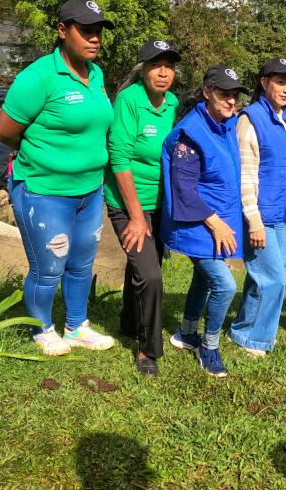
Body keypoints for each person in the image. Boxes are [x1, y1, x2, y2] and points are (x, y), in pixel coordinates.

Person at [0, 0, 117, 356]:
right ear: (62, 31)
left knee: (81, 263)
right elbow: (4, 131)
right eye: (86, 30)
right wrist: (42, 155)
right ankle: (42, 328)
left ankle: (76, 326)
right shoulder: (38, 77)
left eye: (98, 32)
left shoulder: (96, 75)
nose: (94, 38)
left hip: (89, 191)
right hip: (43, 190)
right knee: (48, 267)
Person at [162, 65, 248, 378]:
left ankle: (186, 333)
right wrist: (216, 223)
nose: (231, 102)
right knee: (224, 285)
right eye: (225, 94)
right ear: (208, 91)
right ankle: (208, 346)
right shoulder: (191, 133)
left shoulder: (224, 125)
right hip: (197, 224)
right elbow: (183, 188)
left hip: (214, 221)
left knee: (202, 279)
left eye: (235, 96)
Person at [105, 39, 182, 377]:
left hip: (159, 203)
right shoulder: (129, 100)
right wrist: (136, 216)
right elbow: (119, 160)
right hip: (127, 201)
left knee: (141, 265)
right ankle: (147, 349)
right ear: (143, 69)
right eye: (156, 65)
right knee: (150, 275)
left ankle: (127, 320)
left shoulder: (172, 103)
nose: (163, 73)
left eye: (169, 66)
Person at [230, 57, 286, 357]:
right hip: (262, 213)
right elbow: (246, 177)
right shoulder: (250, 120)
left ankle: (242, 330)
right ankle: (258, 339)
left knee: (260, 276)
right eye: (280, 81)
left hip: (284, 209)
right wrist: (253, 220)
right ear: (264, 82)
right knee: (275, 278)